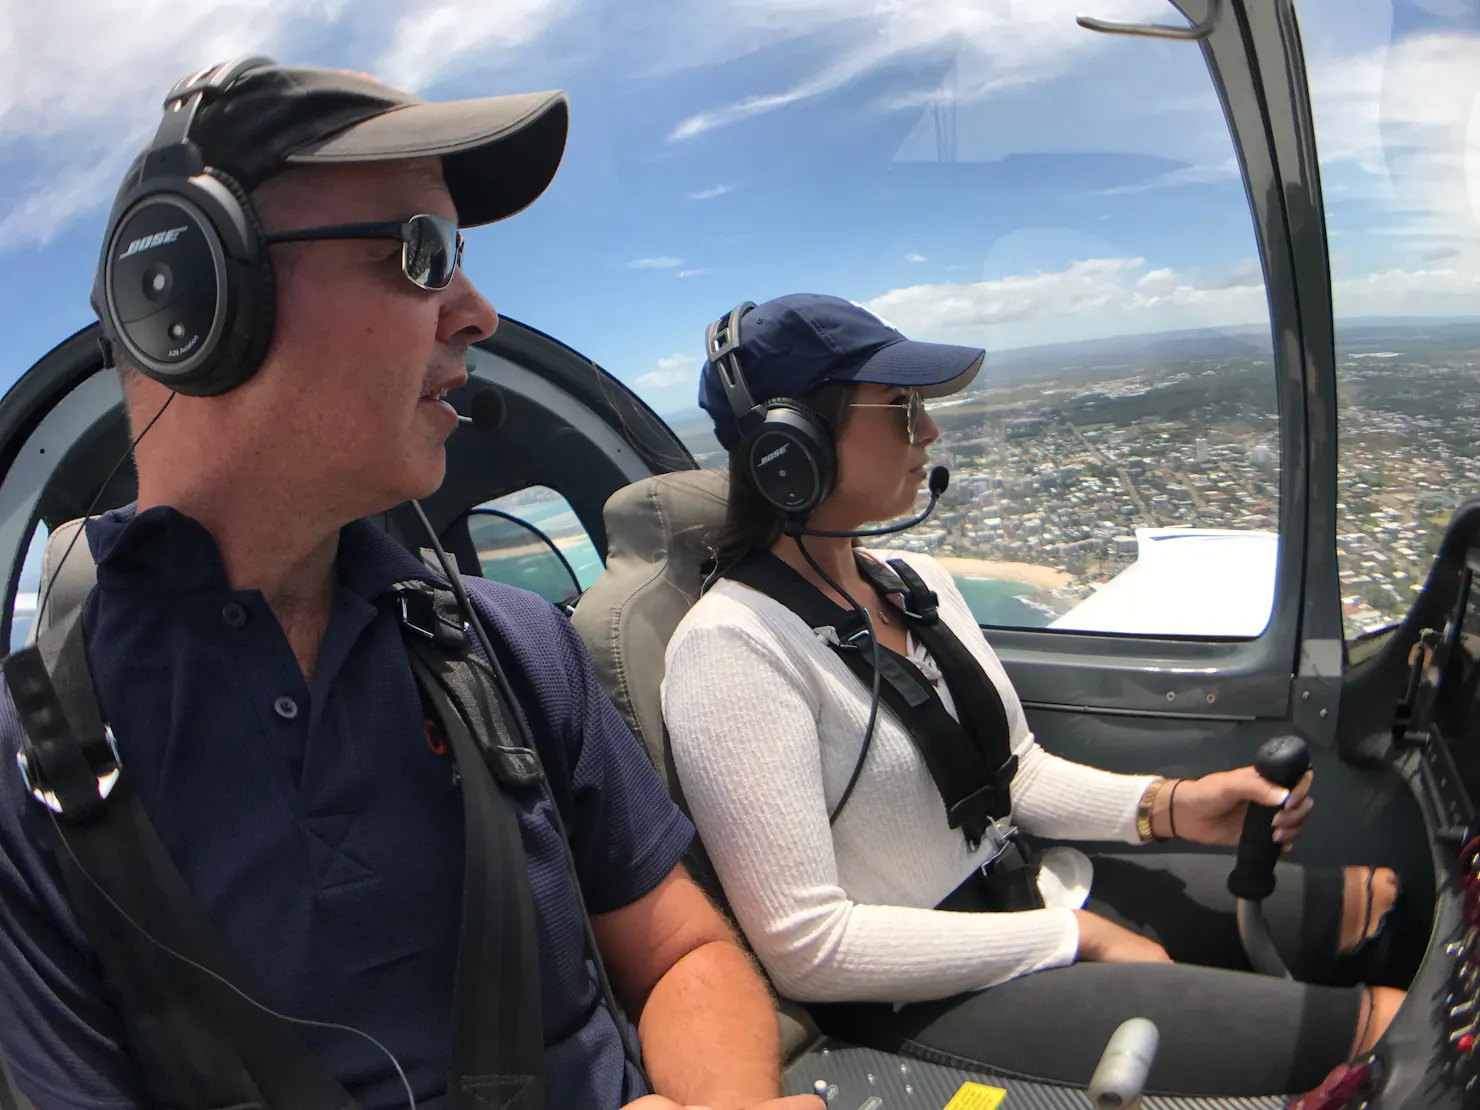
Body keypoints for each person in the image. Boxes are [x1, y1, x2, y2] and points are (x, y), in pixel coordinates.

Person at [0, 62, 821, 1110]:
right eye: (422, 254)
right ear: (190, 295)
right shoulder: (29, 780)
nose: (476, 311)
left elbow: (683, 956)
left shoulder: (518, 648)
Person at [660, 294, 1415, 1098]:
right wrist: (1072, 936)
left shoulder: (918, 586)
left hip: (1029, 894)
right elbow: (805, 943)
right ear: (791, 446)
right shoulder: (731, 648)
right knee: (1388, 1034)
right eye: (904, 410)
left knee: (1376, 904)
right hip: (923, 991)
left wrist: (1173, 805)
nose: (931, 434)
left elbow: (1014, 773)